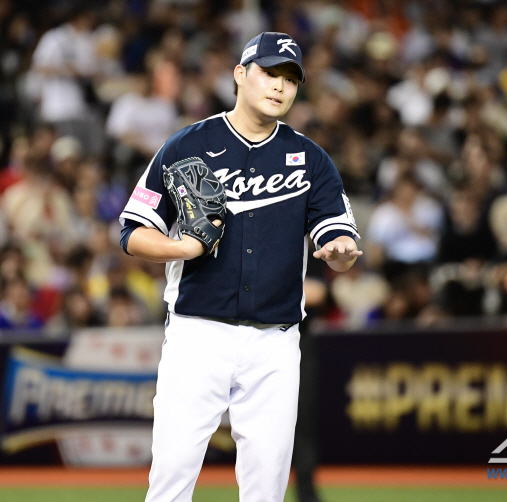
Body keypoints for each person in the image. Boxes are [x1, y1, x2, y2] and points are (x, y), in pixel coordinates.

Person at [118, 32, 361, 502]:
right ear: (240, 74)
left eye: (290, 79)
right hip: (197, 333)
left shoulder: (311, 159)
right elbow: (132, 232)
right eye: (270, 73)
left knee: (266, 487)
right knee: (170, 478)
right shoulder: (186, 145)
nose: (279, 87)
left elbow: (339, 235)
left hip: (275, 340)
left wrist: (342, 251)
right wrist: (181, 249)